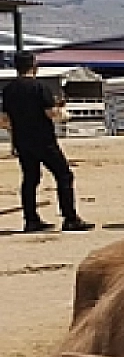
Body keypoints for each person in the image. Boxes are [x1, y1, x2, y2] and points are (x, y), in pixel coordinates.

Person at [1, 51, 92, 232]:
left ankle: (31, 219)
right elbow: (50, 113)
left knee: (30, 178)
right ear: (34, 66)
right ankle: (69, 217)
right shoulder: (40, 88)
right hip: (43, 140)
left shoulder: (9, 90)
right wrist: (61, 112)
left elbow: (4, 119)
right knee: (63, 174)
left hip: (22, 141)